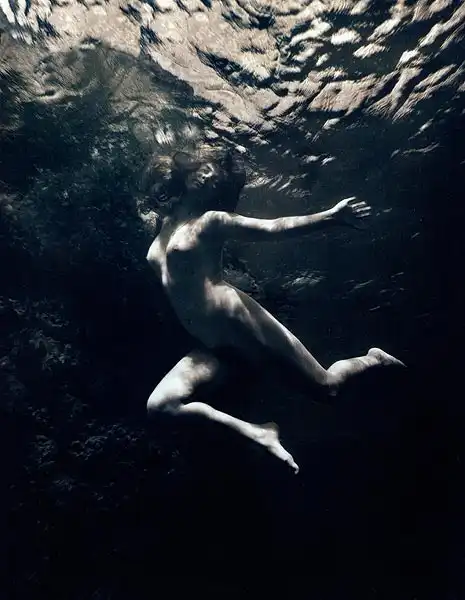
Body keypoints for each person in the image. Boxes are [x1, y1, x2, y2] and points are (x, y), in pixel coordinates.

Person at [143, 147, 404, 474]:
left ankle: (373, 359)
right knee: (161, 405)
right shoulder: (163, 222)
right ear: (187, 172)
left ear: (216, 190)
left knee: (327, 388)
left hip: (241, 323)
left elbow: (274, 227)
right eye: (204, 168)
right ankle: (259, 433)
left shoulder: (212, 222)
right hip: (214, 347)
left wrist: (331, 216)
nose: (208, 175)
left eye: (215, 176)